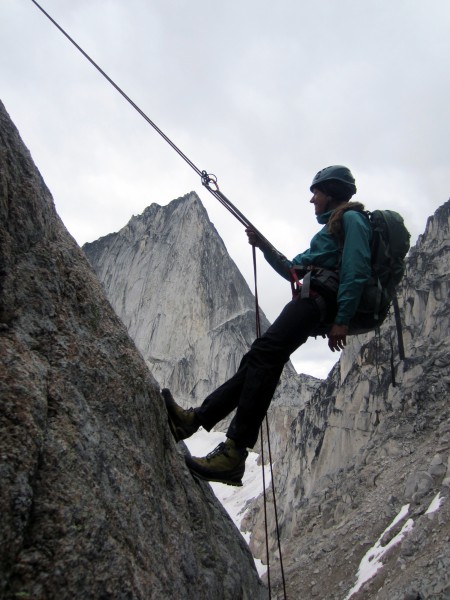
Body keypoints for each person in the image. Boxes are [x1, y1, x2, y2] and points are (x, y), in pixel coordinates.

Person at [162, 165, 372, 486]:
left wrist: (342, 319)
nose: (312, 200)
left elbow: (357, 268)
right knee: (258, 359)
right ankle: (195, 421)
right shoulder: (331, 229)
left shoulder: (352, 220)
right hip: (309, 302)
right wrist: (261, 245)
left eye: (316, 193)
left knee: (262, 356)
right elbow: (293, 269)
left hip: (314, 304)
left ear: (331, 192)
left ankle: (232, 451)